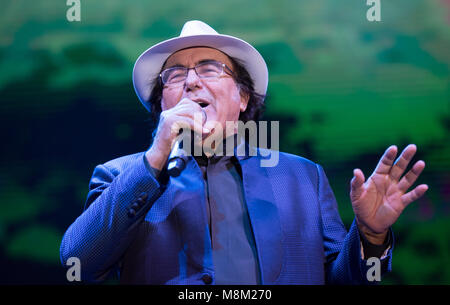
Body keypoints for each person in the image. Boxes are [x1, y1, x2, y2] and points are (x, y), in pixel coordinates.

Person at [60, 20, 428, 284]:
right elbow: (77, 263)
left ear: (242, 97)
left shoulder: (302, 178)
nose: (191, 81)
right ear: (162, 106)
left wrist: (369, 235)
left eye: (209, 68)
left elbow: (345, 281)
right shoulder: (119, 175)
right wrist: (156, 155)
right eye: (174, 76)